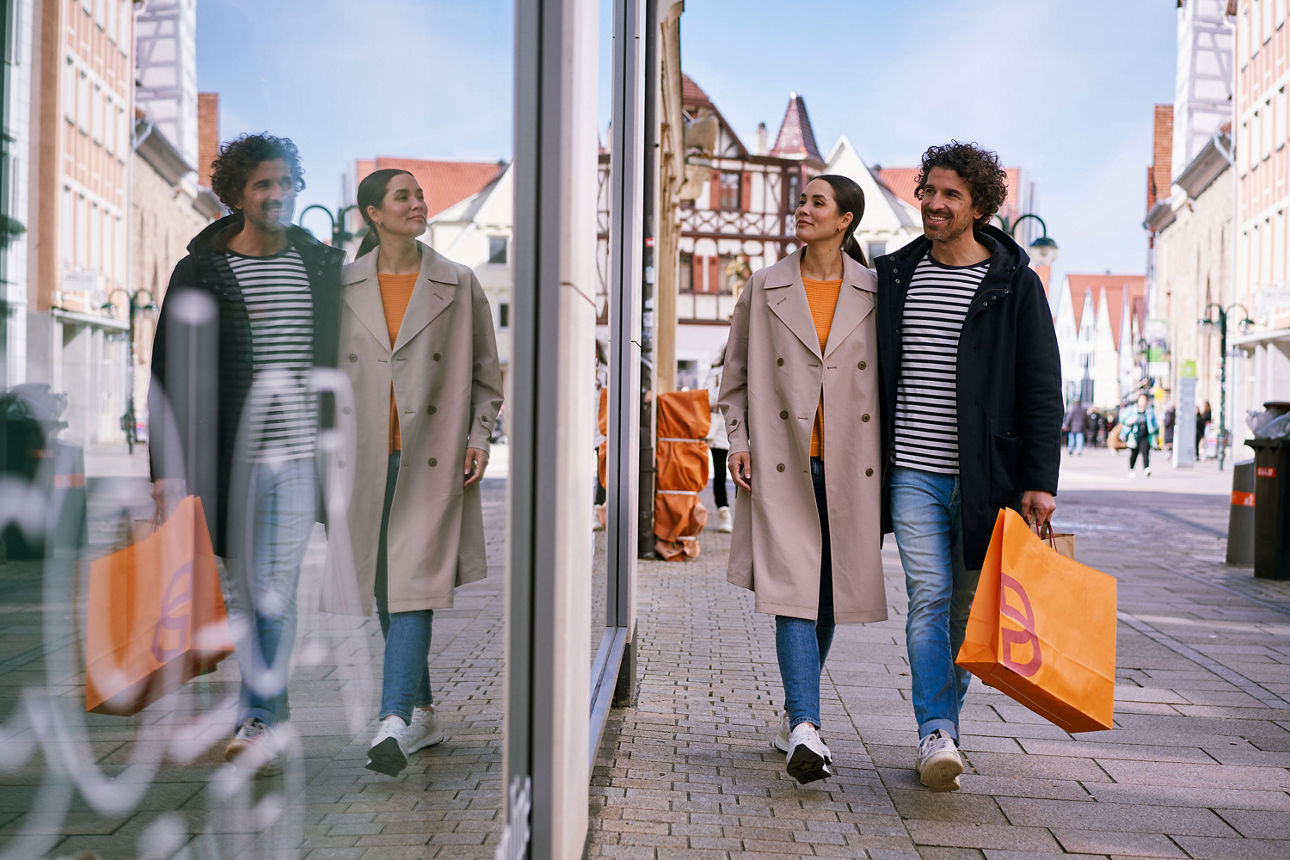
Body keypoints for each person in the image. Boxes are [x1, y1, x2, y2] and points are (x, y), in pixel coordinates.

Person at [148, 133, 344, 773]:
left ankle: (256, 716)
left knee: (272, 593)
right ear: (236, 194)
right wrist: (164, 474)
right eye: (263, 184)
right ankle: (270, 713)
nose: (278, 194)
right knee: (243, 594)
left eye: (286, 182)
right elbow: (168, 373)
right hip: (228, 458)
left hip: (296, 458)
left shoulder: (319, 265)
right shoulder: (201, 270)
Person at [874, 141, 1062, 792]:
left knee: (962, 616)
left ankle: (942, 725)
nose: (934, 203)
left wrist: (1041, 480)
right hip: (911, 473)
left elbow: (1041, 387)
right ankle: (937, 732)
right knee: (928, 600)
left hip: (986, 477)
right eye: (928, 190)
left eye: (951, 194)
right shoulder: (895, 276)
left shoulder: (1014, 285)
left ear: (979, 206)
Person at [333, 169, 503, 777]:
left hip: (431, 457)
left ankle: (393, 719)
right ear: (373, 213)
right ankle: (423, 711)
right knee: (388, 586)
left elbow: (487, 376)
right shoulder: (344, 283)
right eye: (403, 196)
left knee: (413, 585)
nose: (418, 203)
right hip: (364, 459)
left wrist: (478, 437)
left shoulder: (457, 283)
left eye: (419, 195)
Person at [720, 174, 886, 784]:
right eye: (803, 200)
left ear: (846, 219)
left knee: (829, 597)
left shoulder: (874, 289)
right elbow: (733, 378)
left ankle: (799, 714)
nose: (803, 209)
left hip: (852, 465)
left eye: (818, 202)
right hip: (783, 459)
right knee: (792, 590)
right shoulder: (764, 287)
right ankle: (807, 726)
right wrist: (739, 442)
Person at [704, 343, 732, 533]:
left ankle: (741, 516)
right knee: (720, 473)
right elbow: (707, 397)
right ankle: (724, 514)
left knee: (747, 473)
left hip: (743, 426)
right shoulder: (715, 373)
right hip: (719, 427)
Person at [1120, 393, 1159, 478]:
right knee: (1134, 453)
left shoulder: (1149, 411)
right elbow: (1122, 419)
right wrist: (1129, 421)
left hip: (1145, 435)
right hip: (1134, 434)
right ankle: (1131, 469)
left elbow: (1155, 423)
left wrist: (1154, 431)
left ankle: (1146, 468)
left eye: (1144, 400)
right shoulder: (1132, 409)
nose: (1143, 402)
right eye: (1141, 400)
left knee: (1146, 452)